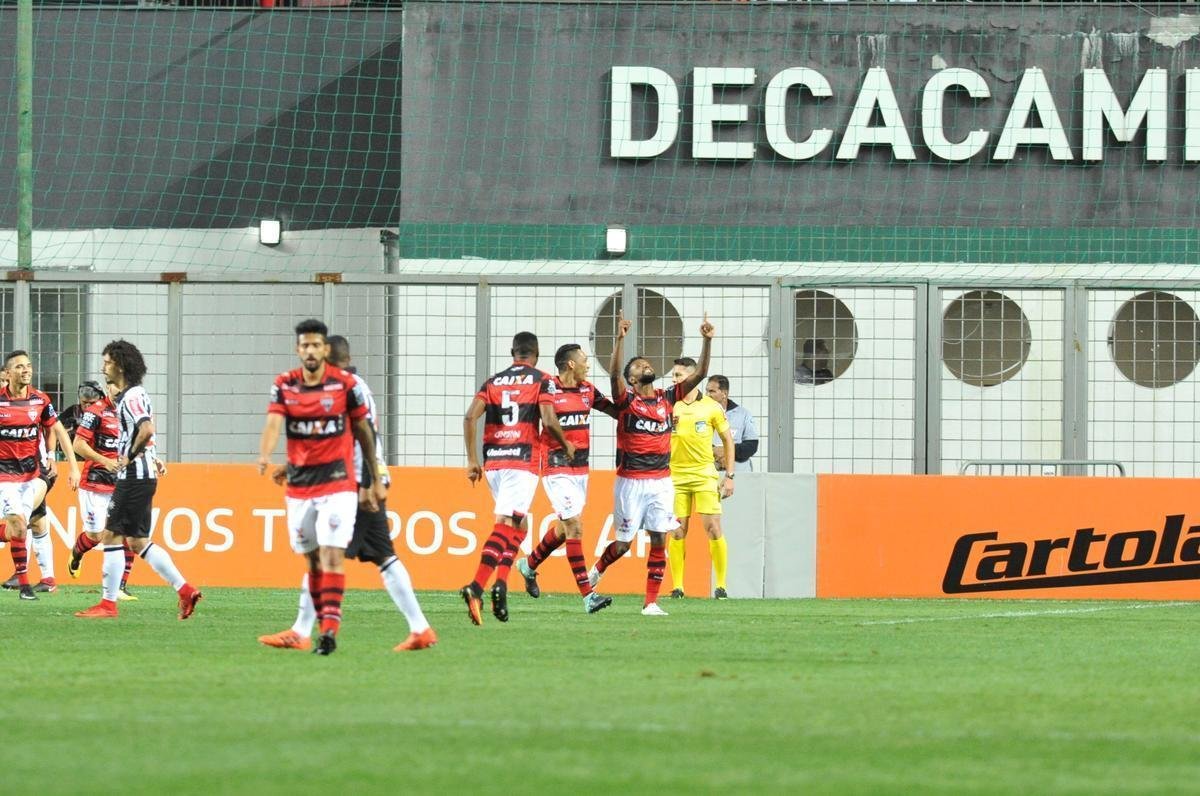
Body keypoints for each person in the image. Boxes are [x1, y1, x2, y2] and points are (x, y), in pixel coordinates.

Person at [258, 334, 436, 653]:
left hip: (354, 484)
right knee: (383, 556)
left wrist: (368, 483)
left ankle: (301, 631)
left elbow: (363, 437)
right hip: (359, 479)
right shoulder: (351, 386)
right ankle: (420, 628)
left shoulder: (346, 388)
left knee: (324, 555)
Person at [254, 320, 381, 655]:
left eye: (316, 345)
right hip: (300, 488)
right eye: (304, 345)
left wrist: (374, 475)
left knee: (332, 554)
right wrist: (266, 454)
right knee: (312, 562)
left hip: (338, 484)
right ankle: (309, 629)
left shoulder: (346, 385)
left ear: (325, 349)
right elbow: (273, 423)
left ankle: (328, 630)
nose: (310, 351)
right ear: (298, 350)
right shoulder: (284, 385)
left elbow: (365, 432)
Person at [588, 311, 715, 616]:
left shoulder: (667, 397)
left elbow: (699, 376)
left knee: (660, 538)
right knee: (622, 545)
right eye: (639, 365)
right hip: (630, 482)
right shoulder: (626, 401)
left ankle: (651, 602)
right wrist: (619, 340)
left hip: (660, 481)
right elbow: (614, 375)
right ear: (632, 378)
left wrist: (707, 341)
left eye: (647, 364)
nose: (646, 366)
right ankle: (597, 571)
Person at [75, 340, 202, 620]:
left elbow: (146, 429)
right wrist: (149, 456)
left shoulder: (131, 396)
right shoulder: (136, 394)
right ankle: (185, 590)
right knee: (138, 542)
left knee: (111, 535)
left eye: (107, 362)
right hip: (144, 476)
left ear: (120, 365)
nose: (103, 367)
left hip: (134, 476)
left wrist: (129, 456)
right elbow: (145, 431)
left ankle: (108, 605)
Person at [459, 331, 574, 625]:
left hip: (494, 461)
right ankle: (476, 586)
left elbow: (470, 416)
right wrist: (565, 444)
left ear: (513, 352)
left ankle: (501, 584)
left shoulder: (494, 381)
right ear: (536, 354)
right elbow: (548, 419)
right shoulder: (542, 379)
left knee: (519, 525)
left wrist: (472, 460)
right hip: (521, 460)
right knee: (507, 524)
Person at [514, 343, 616, 615]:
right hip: (555, 465)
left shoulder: (587, 390)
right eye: (584, 360)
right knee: (574, 526)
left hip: (581, 469)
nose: (587, 364)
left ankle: (529, 564)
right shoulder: (547, 387)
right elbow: (542, 420)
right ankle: (588, 596)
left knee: (563, 528)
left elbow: (615, 410)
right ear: (570, 364)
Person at [0, 350, 80, 601]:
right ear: (8, 373)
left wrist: (72, 465)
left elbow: (56, 429)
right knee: (31, 524)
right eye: (20, 367)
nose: (26, 370)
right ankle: (36, 581)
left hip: (35, 474)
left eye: (29, 366)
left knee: (24, 524)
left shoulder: (40, 400)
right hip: (5, 476)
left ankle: (37, 580)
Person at [667, 359, 735, 601]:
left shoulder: (711, 407)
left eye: (678, 375)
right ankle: (677, 587)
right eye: (673, 376)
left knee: (713, 528)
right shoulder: (669, 404)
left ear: (693, 376)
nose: (674, 380)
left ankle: (721, 586)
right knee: (677, 531)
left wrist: (729, 475)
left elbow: (728, 440)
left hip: (704, 474)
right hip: (675, 476)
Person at [67, 380, 140, 600]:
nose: (120, 390)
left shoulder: (132, 411)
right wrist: (104, 461)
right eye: (116, 385)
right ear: (108, 387)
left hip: (122, 482)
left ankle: (120, 587)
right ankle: (76, 553)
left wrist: (154, 460)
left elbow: (139, 443)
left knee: (128, 532)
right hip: (95, 482)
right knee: (96, 536)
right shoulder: (95, 411)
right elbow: (78, 445)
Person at [706, 375, 759, 474]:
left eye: (712, 391)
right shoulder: (701, 414)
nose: (707, 395)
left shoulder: (743, 414)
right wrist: (714, 451)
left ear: (724, 393)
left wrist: (726, 450)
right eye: (707, 391)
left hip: (739, 474)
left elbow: (752, 446)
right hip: (710, 474)